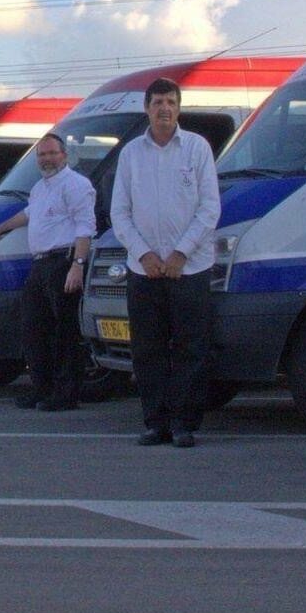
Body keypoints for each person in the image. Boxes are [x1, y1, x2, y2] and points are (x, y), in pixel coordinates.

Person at [110, 77, 220, 448]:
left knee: (191, 348)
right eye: (157, 102)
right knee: (148, 349)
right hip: (145, 270)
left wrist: (179, 254)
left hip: (189, 268)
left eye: (171, 102)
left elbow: (209, 208)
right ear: (146, 108)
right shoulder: (130, 154)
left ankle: (184, 424)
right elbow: (119, 213)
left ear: (179, 107)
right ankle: (155, 423)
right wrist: (145, 255)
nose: (164, 109)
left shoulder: (196, 148)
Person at [0, 132, 95, 410]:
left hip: (64, 262)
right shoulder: (40, 188)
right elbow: (29, 214)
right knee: (34, 330)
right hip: (41, 264)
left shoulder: (77, 185)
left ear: (64, 155)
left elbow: (85, 228)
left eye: (51, 153)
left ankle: (66, 394)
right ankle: (42, 388)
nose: (46, 159)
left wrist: (77, 266)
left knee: (65, 333)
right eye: (41, 155)